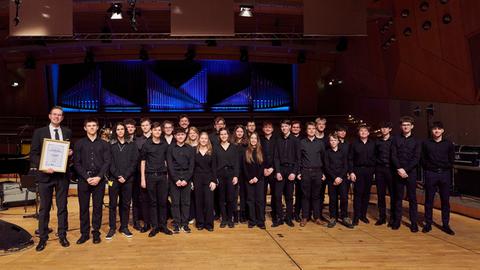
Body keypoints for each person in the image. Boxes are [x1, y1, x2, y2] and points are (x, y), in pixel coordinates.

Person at [30, 106, 72, 251]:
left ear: (62, 117)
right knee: (44, 208)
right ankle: (43, 238)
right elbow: (33, 154)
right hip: (45, 175)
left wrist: (70, 152)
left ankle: (62, 235)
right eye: (54, 114)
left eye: (59, 115)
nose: (57, 117)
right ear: (49, 116)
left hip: (62, 176)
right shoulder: (39, 132)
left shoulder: (67, 132)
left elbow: (67, 152)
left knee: (62, 207)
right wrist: (43, 166)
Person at [74, 117, 111, 245]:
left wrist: (99, 177)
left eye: (94, 125)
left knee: (97, 208)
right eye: (89, 125)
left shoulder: (105, 144)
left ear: (97, 127)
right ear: (85, 128)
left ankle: (96, 233)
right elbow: (77, 163)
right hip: (84, 180)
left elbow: (107, 162)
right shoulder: (79, 143)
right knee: (83, 208)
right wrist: (87, 177)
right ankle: (84, 234)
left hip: (99, 180)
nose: (91, 128)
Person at [421, 121, 455, 235]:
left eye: (439, 129)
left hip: (445, 174)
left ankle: (445, 225)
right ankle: (428, 224)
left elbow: (451, 159)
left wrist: (444, 167)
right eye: (434, 129)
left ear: (442, 130)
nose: (437, 131)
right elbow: (423, 159)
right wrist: (430, 167)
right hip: (431, 174)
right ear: (432, 131)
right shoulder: (426, 143)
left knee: (445, 201)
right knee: (429, 200)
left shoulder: (448, 144)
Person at [140, 122, 173, 237]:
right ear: (152, 131)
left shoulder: (165, 145)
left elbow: (167, 162)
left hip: (162, 176)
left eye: (159, 130)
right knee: (153, 202)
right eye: (155, 130)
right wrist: (143, 179)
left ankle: (163, 226)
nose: (157, 132)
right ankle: (154, 227)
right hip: (150, 176)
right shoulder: (146, 145)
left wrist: (168, 177)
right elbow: (143, 162)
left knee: (163, 202)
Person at [106, 122, 138, 240]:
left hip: (128, 179)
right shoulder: (110, 145)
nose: (120, 131)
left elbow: (134, 162)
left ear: (125, 131)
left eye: (122, 129)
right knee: (112, 205)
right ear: (115, 131)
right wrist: (118, 175)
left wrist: (125, 175)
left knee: (125, 204)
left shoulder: (132, 145)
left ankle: (124, 227)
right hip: (114, 179)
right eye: (118, 129)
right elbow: (109, 162)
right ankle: (112, 228)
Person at [391, 116, 421, 232]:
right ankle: (397, 221)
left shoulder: (417, 141)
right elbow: (393, 155)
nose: (406, 127)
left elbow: (416, 158)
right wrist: (399, 168)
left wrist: (405, 170)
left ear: (412, 126)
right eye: (404, 125)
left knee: (412, 199)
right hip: (398, 172)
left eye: (408, 125)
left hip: (411, 173)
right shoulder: (395, 139)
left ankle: (414, 223)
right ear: (400, 126)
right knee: (398, 198)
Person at [297, 122, 326, 227]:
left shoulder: (320, 143)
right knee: (305, 196)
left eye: (313, 129)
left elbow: (324, 158)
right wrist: (299, 172)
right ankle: (305, 217)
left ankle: (317, 217)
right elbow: (299, 158)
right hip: (305, 172)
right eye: (309, 129)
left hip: (318, 172)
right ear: (306, 130)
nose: (311, 130)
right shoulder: (302, 142)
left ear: (316, 130)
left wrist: (323, 172)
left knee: (317, 196)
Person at [167, 128, 195, 233]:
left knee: (186, 202)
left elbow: (192, 166)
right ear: (175, 136)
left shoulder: (190, 148)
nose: (180, 137)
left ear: (185, 135)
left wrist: (186, 179)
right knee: (175, 203)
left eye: (182, 134)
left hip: (186, 177)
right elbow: (169, 165)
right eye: (178, 135)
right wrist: (176, 179)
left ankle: (185, 224)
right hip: (174, 178)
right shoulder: (170, 148)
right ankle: (177, 224)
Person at [273, 120, 300, 227]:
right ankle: (280, 218)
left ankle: (288, 218)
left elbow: (298, 159)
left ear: (290, 127)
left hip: (291, 170)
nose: (284, 128)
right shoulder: (278, 139)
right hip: (280, 170)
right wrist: (278, 171)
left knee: (289, 196)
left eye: (286, 126)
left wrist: (294, 172)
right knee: (277, 195)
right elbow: (276, 157)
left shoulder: (295, 140)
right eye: (282, 126)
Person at [324, 134, 354, 229]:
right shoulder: (326, 153)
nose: (333, 142)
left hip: (342, 179)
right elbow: (326, 167)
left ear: (338, 141)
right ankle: (333, 217)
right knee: (333, 199)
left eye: (334, 140)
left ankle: (344, 216)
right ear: (329, 142)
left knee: (344, 198)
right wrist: (334, 178)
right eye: (331, 140)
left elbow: (346, 166)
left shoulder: (343, 152)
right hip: (331, 179)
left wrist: (340, 177)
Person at [349, 124, 376, 226]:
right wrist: (351, 172)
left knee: (366, 194)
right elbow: (350, 159)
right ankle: (355, 217)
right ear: (358, 133)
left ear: (368, 133)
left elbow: (376, 158)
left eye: (365, 131)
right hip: (358, 171)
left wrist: (374, 172)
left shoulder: (373, 144)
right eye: (361, 131)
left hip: (369, 171)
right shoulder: (354, 144)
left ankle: (363, 215)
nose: (363, 132)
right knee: (358, 195)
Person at [214, 128, 239, 228]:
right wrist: (215, 177)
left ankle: (230, 218)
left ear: (228, 135)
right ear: (219, 136)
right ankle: (223, 219)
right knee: (221, 198)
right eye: (221, 134)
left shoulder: (233, 147)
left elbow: (237, 163)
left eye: (225, 134)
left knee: (230, 198)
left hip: (230, 174)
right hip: (220, 175)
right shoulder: (215, 147)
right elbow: (214, 164)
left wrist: (236, 176)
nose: (223, 136)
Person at [193, 132, 218, 231]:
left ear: (208, 140)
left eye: (205, 138)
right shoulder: (194, 151)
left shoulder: (212, 151)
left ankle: (209, 224)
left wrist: (213, 181)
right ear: (199, 139)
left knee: (209, 202)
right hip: (197, 178)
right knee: (198, 202)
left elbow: (214, 168)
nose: (203, 140)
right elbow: (192, 167)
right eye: (202, 138)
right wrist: (191, 181)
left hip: (209, 179)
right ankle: (200, 223)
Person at [133, 118, 152, 232]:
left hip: (154, 172)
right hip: (141, 173)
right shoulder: (138, 140)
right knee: (143, 198)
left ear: (150, 126)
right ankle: (146, 222)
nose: (145, 127)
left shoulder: (157, 138)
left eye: (147, 125)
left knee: (153, 199)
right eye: (143, 125)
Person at [243, 132, 266, 229]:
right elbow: (244, 167)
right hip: (249, 181)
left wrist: (257, 177)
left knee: (259, 201)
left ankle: (260, 221)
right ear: (249, 139)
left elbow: (262, 167)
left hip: (259, 180)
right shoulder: (246, 151)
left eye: (255, 138)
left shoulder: (261, 151)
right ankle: (252, 221)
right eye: (251, 138)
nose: (253, 140)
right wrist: (250, 178)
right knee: (250, 201)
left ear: (257, 140)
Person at [375, 121, 395, 226]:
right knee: (380, 195)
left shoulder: (394, 141)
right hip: (380, 170)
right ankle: (382, 217)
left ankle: (392, 218)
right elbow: (375, 155)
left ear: (390, 129)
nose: (384, 130)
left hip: (391, 170)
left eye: (386, 128)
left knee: (392, 195)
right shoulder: (377, 141)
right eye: (382, 128)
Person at [260, 121, 277, 223]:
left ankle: (274, 214)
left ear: (272, 129)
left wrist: (272, 168)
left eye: (269, 127)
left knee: (275, 194)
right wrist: (263, 169)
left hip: (273, 170)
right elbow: (258, 156)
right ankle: (261, 215)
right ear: (263, 129)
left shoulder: (277, 140)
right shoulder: (260, 140)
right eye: (266, 127)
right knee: (262, 194)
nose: (267, 129)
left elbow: (278, 156)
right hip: (262, 171)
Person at [233, 124, 248, 223]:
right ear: (235, 133)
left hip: (244, 172)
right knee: (233, 195)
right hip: (234, 172)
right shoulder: (231, 144)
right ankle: (234, 215)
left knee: (244, 194)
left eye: (241, 132)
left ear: (244, 133)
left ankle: (243, 214)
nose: (239, 133)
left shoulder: (247, 144)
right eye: (238, 131)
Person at [186, 126, 200, 225]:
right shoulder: (186, 146)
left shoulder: (202, 144)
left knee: (198, 196)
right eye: (190, 133)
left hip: (199, 173)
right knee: (190, 195)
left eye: (194, 132)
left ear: (197, 134)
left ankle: (199, 215)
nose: (192, 134)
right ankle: (191, 215)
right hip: (189, 173)